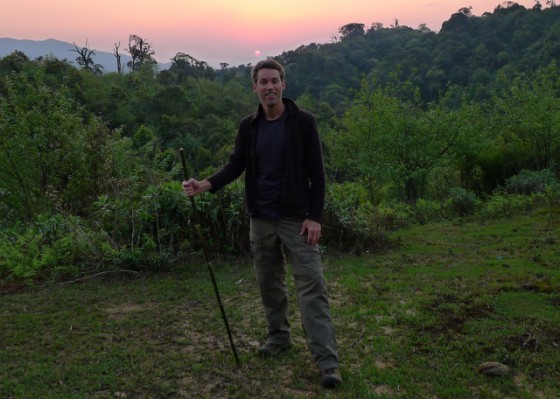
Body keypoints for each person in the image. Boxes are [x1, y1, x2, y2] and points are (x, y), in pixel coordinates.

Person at [182, 58, 341, 388]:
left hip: (297, 219)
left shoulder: (303, 122)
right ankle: (279, 338)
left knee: (311, 286)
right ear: (254, 87)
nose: (269, 86)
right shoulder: (249, 126)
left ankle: (326, 361)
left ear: (284, 84)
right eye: (263, 82)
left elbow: (318, 174)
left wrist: (315, 217)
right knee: (269, 284)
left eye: (274, 81)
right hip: (261, 219)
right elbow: (235, 165)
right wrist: (204, 185)